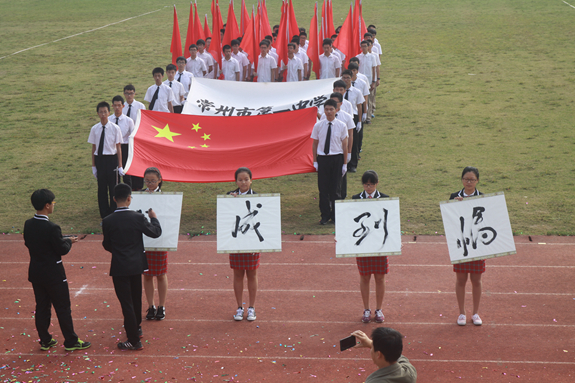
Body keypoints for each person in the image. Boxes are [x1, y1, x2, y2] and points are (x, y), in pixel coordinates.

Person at [24, 189, 92, 352]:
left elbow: (32, 243)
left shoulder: (28, 224)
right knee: (62, 307)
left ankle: (45, 340)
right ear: (47, 205)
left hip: (36, 272)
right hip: (53, 275)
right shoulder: (52, 227)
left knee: (42, 306)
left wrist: (62, 240)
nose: (54, 206)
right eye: (53, 203)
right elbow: (62, 249)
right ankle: (70, 340)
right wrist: (69, 242)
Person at [102, 183, 162, 350]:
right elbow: (155, 232)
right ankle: (136, 328)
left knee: (126, 302)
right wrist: (154, 218)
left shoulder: (107, 221)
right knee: (136, 299)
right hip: (136, 264)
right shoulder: (137, 217)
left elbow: (107, 244)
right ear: (129, 199)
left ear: (114, 199)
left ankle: (134, 339)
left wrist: (119, 252)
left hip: (120, 266)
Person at [352, 171, 390, 323]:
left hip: (380, 245)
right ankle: (366, 309)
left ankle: (379, 309)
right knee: (365, 276)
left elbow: (391, 221)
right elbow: (349, 221)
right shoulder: (355, 199)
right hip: (363, 245)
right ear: (363, 184)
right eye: (366, 184)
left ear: (377, 184)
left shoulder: (386, 199)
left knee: (380, 278)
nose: (369, 187)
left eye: (372, 184)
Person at [450, 166, 485, 326]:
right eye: (466, 179)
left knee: (476, 280)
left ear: (477, 181)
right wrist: (456, 207)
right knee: (461, 279)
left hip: (477, 244)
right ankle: (462, 313)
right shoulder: (454, 197)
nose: (469, 182)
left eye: (472, 179)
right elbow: (450, 222)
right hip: (461, 244)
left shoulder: (484, 198)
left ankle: (476, 313)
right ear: (462, 180)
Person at [227, 167, 260, 322]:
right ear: (236, 181)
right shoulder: (229, 197)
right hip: (236, 242)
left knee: (252, 274)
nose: (243, 182)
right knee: (238, 274)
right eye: (240, 179)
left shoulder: (259, 199)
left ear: (251, 180)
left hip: (252, 241)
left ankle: (251, 307)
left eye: (246, 179)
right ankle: (239, 307)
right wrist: (230, 202)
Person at [311, 99, 348, 225]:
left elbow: (344, 146)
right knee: (323, 189)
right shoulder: (318, 125)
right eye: (326, 109)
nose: (329, 112)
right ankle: (325, 215)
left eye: (331, 109)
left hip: (336, 158)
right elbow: (315, 144)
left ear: (336, 110)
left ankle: (335, 215)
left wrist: (344, 164)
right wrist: (315, 161)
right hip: (323, 159)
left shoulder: (342, 125)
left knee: (336, 189)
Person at [141, 167, 169, 321]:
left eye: (152, 181)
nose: (150, 184)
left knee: (160, 274)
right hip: (145, 241)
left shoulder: (166, 197)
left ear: (159, 180)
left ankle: (161, 306)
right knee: (147, 275)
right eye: (147, 181)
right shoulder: (139, 195)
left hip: (160, 240)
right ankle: (150, 305)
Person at [88, 101, 124, 219]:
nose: (103, 114)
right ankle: (104, 215)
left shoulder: (115, 128)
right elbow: (94, 147)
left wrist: (119, 165)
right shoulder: (94, 129)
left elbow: (118, 147)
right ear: (97, 113)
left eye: (105, 112)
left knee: (113, 188)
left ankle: (114, 213)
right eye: (101, 112)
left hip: (111, 159)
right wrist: (94, 165)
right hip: (100, 159)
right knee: (101, 189)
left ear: (109, 112)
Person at [319, 92, 354, 199]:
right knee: (326, 182)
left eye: (336, 102)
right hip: (325, 154)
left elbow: (350, 136)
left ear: (340, 104)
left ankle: (341, 197)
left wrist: (349, 152)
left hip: (339, 153)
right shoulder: (323, 119)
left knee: (339, 180)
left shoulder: (346, 117)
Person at [351, 327, 417, 383]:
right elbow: (397, 354)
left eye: (372, 347)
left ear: (378, 354)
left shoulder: (374, 381)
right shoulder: (410, 372)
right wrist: (371, 343)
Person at [340, 71, 364, 173]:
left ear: (352, 78)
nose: (346, 80)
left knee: (353, 142)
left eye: (348, 78)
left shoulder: (356, 91)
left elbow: (359, 106)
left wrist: (359, 121)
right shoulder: (339, 93)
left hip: (352, 116)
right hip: (341, 117)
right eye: (344, 78)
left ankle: (353, 164)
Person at [122, 85, 145, 190]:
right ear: (124, 94)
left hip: (137, 141)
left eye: (131, 93)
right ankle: (127, 188)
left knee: (137, 164)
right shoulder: (121, 107)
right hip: (125, 142)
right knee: (126, 163)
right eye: (127, 93)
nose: (129, 95)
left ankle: (138, 187)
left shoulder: (140, 106)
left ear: (134, 94)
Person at [111, 95, 135, 187]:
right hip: (113, 148)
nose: (117, 108)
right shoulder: (109, 120)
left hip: (125, 147)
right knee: (114, 174)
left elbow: (132, 136)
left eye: (119, 105)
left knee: (126, 174)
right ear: (112, 106)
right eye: (115, 105)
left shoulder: (128, 121)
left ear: (123, 106)